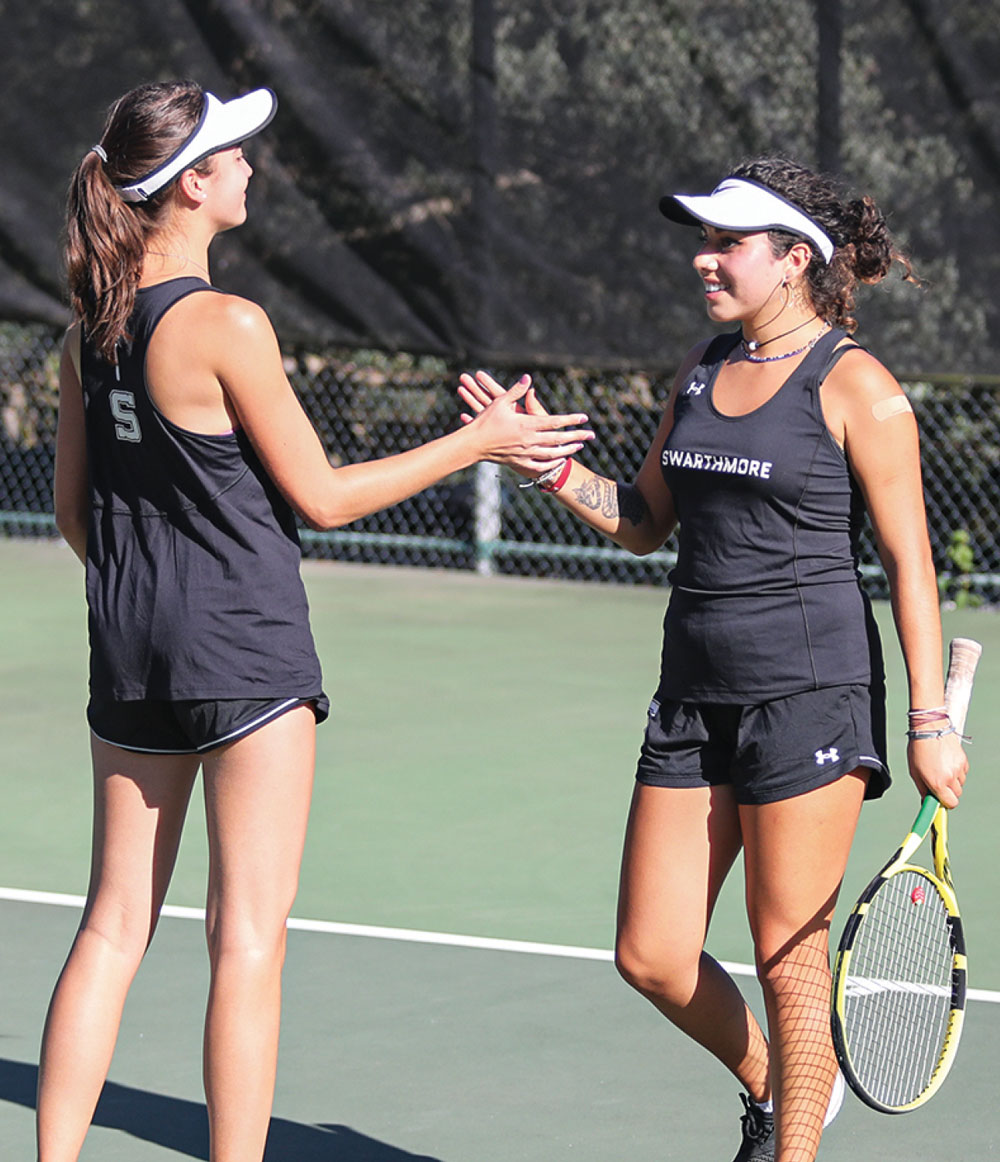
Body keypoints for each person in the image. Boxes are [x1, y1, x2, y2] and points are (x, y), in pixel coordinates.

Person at [42, 79, 592, 1162]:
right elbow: (326, 496)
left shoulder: (84, 331)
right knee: (246, 937)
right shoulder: (227, 324)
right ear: (193, 185)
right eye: (235, 154)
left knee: (110, 926)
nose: (252, 167)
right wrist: (478, 445)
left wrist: (151, 587)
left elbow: (75, 517)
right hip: (244, 653)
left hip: (129, 652)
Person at [458, 157, 968, 1162]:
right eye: (705, 240)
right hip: (693, 694)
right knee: (649, 951)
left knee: (788, 959)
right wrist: (546, 464)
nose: (705, 258)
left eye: (727, 242)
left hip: (810, 697)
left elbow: (911, 563)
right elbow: (647, 520)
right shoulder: (700, 367)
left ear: (792, 260)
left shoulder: (857, 385)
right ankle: (786, 1086)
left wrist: (927, 721)